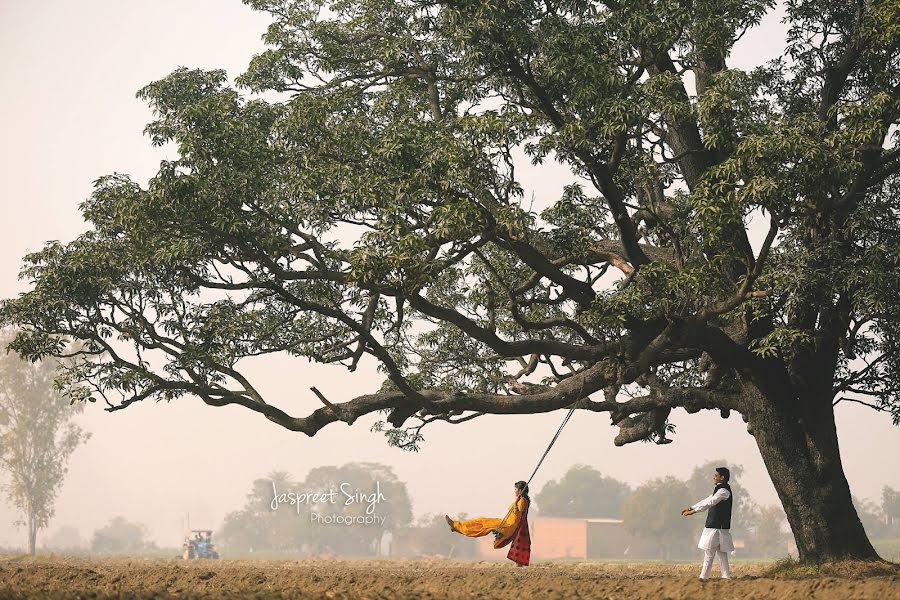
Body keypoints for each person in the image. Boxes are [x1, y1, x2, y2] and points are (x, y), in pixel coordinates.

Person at [446, 480, 531, 566]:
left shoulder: (522, 501)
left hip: (508, 526)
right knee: (482, 521)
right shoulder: (521, 500)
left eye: (515, 489)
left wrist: (516, 502)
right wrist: (516, 501)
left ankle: (458, 527)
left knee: (483, 526)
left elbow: (518, 513)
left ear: (520, 490)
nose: (514, 491)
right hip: (505, 523)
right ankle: (457, 527)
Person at [681, 466, 734, 580]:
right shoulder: (720, 490)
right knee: (721, 553)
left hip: (716, 527)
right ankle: (726, 576)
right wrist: (691, 507)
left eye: (716, 475)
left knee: (709, 553)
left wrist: (693, 512)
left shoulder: (723, 492)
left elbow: (710, 502)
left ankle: (703, 577)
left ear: (722, 477)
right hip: (718, 527)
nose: (714, 477)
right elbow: (707, 500)